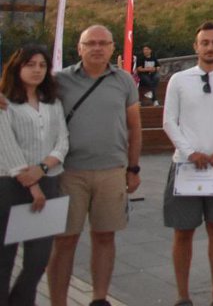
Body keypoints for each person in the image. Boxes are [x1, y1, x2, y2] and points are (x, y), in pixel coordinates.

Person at [47, 25, 141, 306]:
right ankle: (58, 301)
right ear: (80, 48)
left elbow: (134, 127)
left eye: (103, 43)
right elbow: (29, 99)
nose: (97, 48)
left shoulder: (124, 81)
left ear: (112, 48)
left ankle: (99, 298)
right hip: (69, 172)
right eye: (91, 43)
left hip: (111, 171)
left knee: (105, 236)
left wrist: (133, 168)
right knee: (64, 240)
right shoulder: (60, 80)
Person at [162, 22, 213, 306]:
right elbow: (169, 121)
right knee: (183, 231)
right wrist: (189, 152)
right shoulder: (179, 80)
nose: (210, 47)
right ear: (196, 46)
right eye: (205, 42)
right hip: (186, 166)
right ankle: (183, 295)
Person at [0, 44, 68, 306]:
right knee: (4, 258)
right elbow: (6, 146)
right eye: (30, 64)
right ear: (17, 67)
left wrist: (43, 168)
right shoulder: (4, 101)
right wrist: (31, 183)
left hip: (48, 181)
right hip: (10, 184)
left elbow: (62, 141)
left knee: (38, 258)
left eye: (42, 65)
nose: (37, 70)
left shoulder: (52, 102)